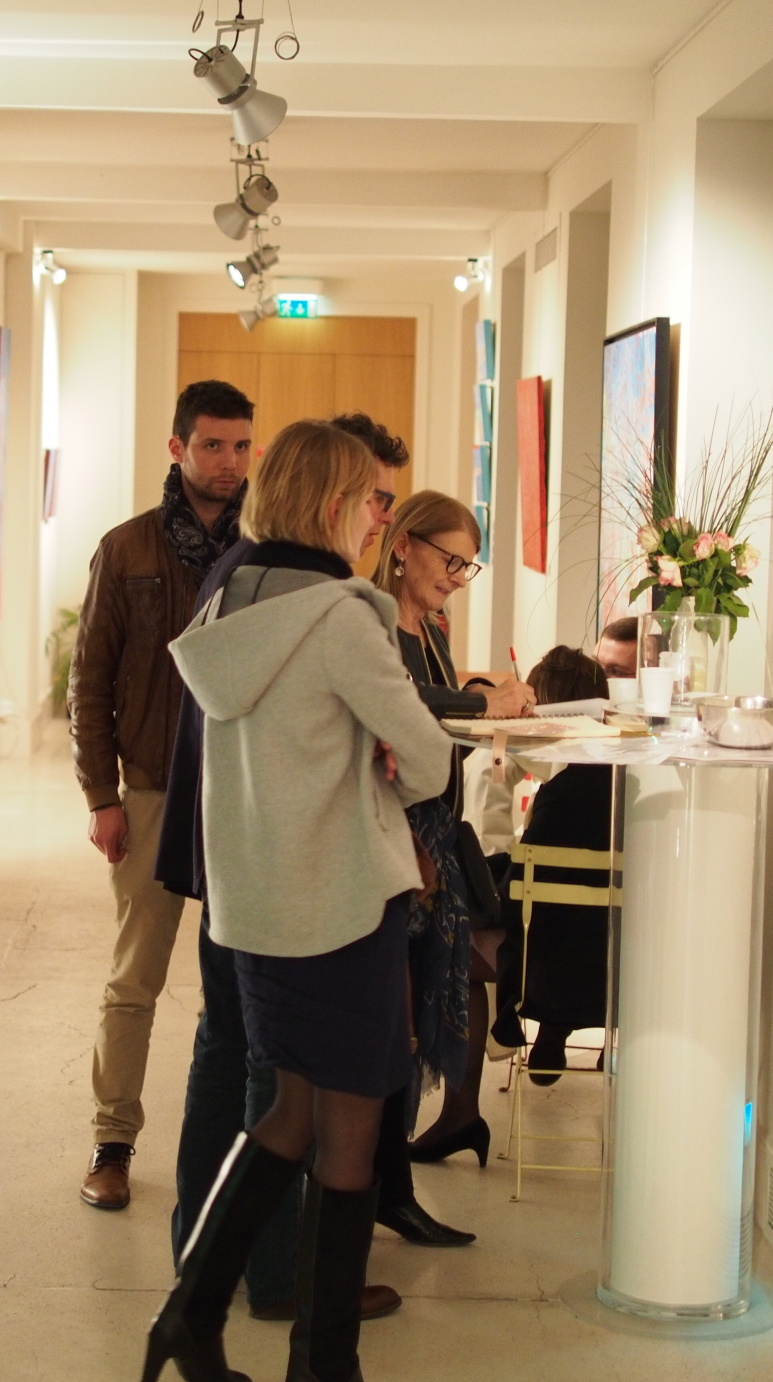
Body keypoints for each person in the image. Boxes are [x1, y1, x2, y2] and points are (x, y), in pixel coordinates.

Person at [147, 420, 451, 1382]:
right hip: (341, 900)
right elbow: (429, 760)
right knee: (348, 1130)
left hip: (256, 901)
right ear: (331, 506)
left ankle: (189, 1318)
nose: (379, 520)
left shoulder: (228, 598)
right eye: (371, 501)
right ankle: (323, 1365)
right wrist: (386, 760)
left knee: (287, 1112)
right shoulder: (339, 616)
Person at [71, 379, 254, 1210]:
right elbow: (90, 678)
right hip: (149, 788)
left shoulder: (265, 547)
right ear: (177, 448)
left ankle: (235, 1145)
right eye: (212, 445)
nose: (227, 462)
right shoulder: (127, 548)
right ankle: (112, 1141)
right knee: (134, 979)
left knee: (239, 982)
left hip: (241, 790)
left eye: (240, 446)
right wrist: (99, 795)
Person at [371, 495, 536, 1174]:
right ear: (403, 545)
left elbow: (437, 714)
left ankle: (437, 1132)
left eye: (467, 566)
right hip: (392, 830)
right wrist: (480, 701)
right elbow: (399, 700)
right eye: (450, 561)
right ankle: (376, 1167)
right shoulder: (371, 620)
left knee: (447, 975)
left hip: (437, 826)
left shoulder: (432, 627)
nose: (457, 578)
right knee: (397, 1004)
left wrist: (495, 709)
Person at [491, 646, 614, 1084]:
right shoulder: (622, 785)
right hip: (613, 965)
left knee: (479, 923)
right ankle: (560, 1031)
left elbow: (518, 890)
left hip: (541, 971)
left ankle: (518, 1030)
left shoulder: (561, 793)